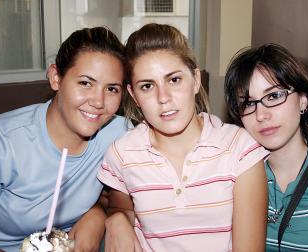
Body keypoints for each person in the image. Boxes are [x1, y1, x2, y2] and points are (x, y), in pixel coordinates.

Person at [98, 23, 269, 252]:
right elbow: (121, 209)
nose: (163, 97)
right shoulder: (123, 153)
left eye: (174, 80)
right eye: (147, 86)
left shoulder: (240, 149)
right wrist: (116, 219)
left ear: (196, 80)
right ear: (134, 96)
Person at [0, 26, 128, 251]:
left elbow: (119, 199)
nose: (98, 101)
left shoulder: (117, 134)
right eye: (86, 83)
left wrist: (96, 215)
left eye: (112, 89)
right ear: (56, 78)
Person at [224, 43, 308, 251]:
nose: (261, 115)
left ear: (303, 100)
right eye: (249, 103)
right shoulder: (235, 175)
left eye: (274, 96)